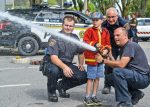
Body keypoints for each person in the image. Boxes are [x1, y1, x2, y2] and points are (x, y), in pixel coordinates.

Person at [95, 27, 150, 107]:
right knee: (110, 78)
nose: (115, 38)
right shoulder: (123, 47)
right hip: (135, 75)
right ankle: (135, 94)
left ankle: (125, 103)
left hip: (142, 78)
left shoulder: (130, 45)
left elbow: (121, 65)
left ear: (125, 36)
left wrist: (103, 61)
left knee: (117, 73)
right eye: (114, 36)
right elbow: (119, 66)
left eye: (118, 35)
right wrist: (109, 56)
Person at [42, 15, 87, 102]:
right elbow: (53, 58)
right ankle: (51, 92)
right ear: (62, 25)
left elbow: (81, 52)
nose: (68, 27)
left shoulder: (75, 38)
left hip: (66, 64)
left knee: (84, 76)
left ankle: (61, 86)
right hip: (52, 64)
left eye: (70, 26)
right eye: (66, 25)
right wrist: (65, 67)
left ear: (73, 27)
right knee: (54, 71)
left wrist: (81, 64)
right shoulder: (54, 38)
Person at [102, 7, 132, 94]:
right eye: (109, 17)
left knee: (125, 66)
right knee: (108, 65)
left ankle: (127, 86)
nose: (111, 19)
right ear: (106, 17)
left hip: (123, 46)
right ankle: (107, 85)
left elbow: (130, 37)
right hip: (111, 47)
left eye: (113, 17)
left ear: (117, 16)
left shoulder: (124, 24)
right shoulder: (103, 25)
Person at [83, 12, 111, 106]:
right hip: (92, 59)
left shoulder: (106, 31)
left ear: (102, 20)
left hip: (101, 59)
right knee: (90, 78)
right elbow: (85, 41)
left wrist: (106, 51)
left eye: (96, 20)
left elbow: (108, 43)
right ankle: (87, 97)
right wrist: (94, 44)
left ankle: (94, 95)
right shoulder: (89, 30)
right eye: (93, 20)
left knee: (97, 78)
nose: (94, 22)